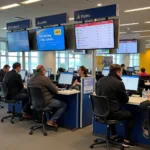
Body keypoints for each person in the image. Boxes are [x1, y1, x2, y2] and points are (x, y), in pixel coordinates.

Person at [96, 64, 135, 148]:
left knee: (112, 108)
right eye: (121, 72)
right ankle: (127, 141)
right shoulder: (118, 83)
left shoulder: (100, 81)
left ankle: (114, 135)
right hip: (111, 113)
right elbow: (125, 100)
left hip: (99, 112)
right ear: (117, 72)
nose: (121, 74)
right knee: (130, 115)